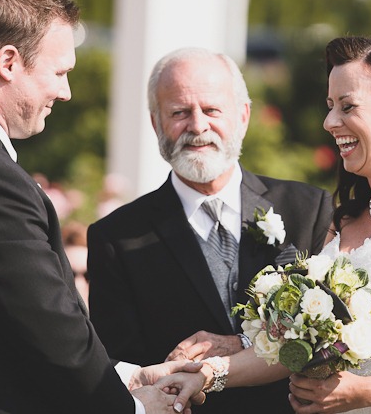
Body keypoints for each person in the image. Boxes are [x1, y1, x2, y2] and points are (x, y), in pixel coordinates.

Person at [140, 32, 371, 413]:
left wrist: (367, 392)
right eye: (329, 106)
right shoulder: (349, 218)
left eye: (347, 106)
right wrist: (208, 373)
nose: (329, 121)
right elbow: (291, 344)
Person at [0, 0, 200, 414]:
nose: (66, 91)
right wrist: (133, 408)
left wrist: (126, 374)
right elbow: (45, 323)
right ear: (8, 62)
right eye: (59, 72)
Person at [86, 47, 334, 413]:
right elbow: (124, 367)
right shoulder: (116, 237)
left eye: (212, 110)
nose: (198, 126)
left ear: (243, 116)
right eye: (179, 112)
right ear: (156, 124)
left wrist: (242, 343)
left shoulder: (308, 208)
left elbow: (331, 333)